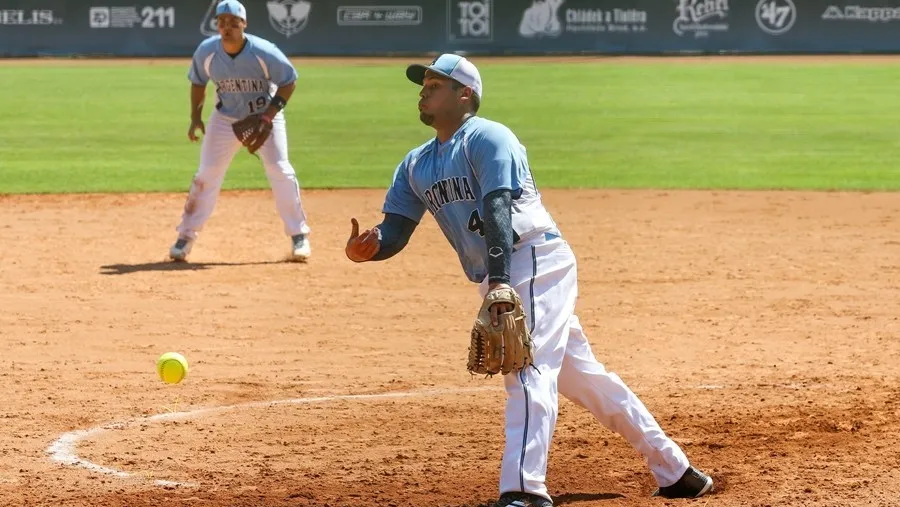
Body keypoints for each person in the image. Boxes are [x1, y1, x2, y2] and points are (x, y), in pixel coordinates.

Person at [344, 54, 714, 507]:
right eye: (423, 84)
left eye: (435, 83)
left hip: (535, 258)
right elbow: (396, 227)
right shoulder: (417, 163)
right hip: (502, 271)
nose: (423, 89)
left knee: (526, 371)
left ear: (466, 95)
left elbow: (499, 207)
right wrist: (372, 245)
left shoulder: (488, 137)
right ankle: (676, 471)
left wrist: (501, 283)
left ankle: (524, 488)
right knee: (583, 378)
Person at [168, 0, 311, 262]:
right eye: (222, 22)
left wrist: (269, 115)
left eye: (234, 22)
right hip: (224, 118)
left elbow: (289, 81)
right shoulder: (207, 51)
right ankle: (185, 237)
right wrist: (195, 117)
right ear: (217, 25)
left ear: (244, 24)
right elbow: (198, 83)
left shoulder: (264, 52)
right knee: (207, 173)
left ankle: (298, 236)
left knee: (280, 169)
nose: (227, 27)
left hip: (264, 116)